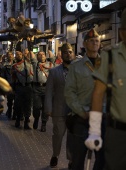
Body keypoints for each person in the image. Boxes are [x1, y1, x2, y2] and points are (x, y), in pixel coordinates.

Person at [85, 8, 126, 170]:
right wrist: (94, 130)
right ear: (122, 32)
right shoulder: (109, 57)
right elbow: (98, 93)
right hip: (118, 133)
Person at [64, 28, 104, 170]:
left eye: (97, 41)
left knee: (103, 160)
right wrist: (82, 112)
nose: (94, 43)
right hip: (82, 118)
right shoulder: (76, 67)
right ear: (85, 44)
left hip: (102, 119)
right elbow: (69, 93)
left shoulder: (108, 64)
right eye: (91, 41)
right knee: (78, 160)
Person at [44, 43, 78, 168]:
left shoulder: (78, 70)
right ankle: (55, 154)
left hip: (74, 111)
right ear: (61, 54)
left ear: (73, 53)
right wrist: (48, 108)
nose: (68, 54)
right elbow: (48, 91)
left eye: (70, 52)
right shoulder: (54, 72)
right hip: (58, 109)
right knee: (58, 135)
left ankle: (70, 160)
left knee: (72, 137)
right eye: (65, 52)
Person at [32, 50, 54, 132]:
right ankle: (36, 118)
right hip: (37, 88)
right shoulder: (35, 64)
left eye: (43, 54)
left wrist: (50, 49)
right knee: (36, 106)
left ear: (46, 56)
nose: (41, 56)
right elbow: (31, 55)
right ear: (37, 57)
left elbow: (52, 58)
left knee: (45, 107)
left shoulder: (50, 64)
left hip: (46, 88)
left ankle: (44, 123)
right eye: (39, 55)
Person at [12, 50, 33, 129]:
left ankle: (26, 122)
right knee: (18, 105)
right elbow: (13, 78)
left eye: (20, 54)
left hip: (28, 86)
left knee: (28, 105)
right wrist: (13, 88)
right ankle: (17, 120)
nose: (19, 55)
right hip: (19, 87)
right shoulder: (14, 66)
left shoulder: (28, 64)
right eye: (17, 54)